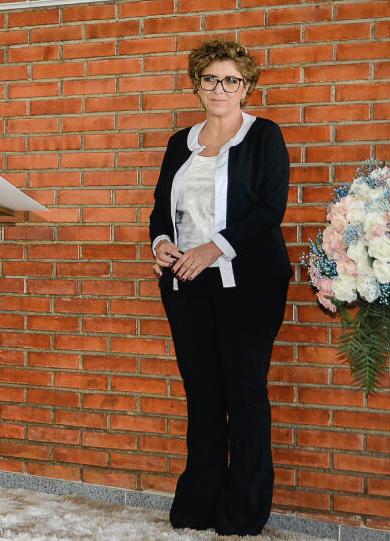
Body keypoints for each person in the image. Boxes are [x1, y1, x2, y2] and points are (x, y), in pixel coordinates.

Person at [149, 38, 291, 536]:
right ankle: (198, 504)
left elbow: (270, 210)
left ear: (246, 87)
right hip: (185, 282)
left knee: (244, 390)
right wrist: (162, 243)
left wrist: (215, 248)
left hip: (248, 282)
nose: (220, 88)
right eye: (210, 78)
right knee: (203, 393)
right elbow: (160, 212)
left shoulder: (264, 136)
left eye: (231, 79)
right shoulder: (178, 143)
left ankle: (243, 512)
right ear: (197, 84)